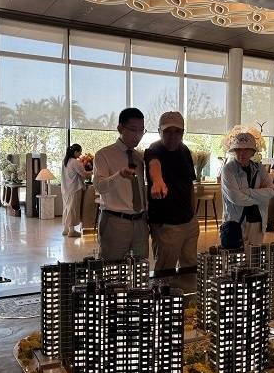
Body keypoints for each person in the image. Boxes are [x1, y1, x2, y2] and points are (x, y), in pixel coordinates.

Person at [145, 111, 199, 276]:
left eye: (177, 131)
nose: (173, 136)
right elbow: (154, 165)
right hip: (166, 224)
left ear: (183, 132)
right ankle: (163, 294)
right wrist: (158, 180)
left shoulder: (184, 150)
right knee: (165, 271)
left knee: (189, 268)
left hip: (188, 221)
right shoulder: (154, 149)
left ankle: (185, 293)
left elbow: (189, 184)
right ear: (159, 131)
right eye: (167, 131)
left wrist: (193, 215)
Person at [93, 108, 148, 261]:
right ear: (120, 128)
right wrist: (119, 176)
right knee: (112, 267)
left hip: (140, 222)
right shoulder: (104, 154)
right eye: (133, 129)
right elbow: (99, 187)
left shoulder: (139, 157)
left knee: (140, 267)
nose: (137, 135)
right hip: (115, 221)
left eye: (141, 130)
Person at [221, 131, 274, 245]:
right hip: (235, 224)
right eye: (238, 149)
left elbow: (270, 192)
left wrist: (246, 192)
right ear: (234, 151)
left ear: (253, 152)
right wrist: (260, 198)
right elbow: (236, 198)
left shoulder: (259, 168)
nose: (242, 153)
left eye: (246, 149)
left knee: (255, 254)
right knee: (235, 255)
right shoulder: (228, 169)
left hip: (257, 222)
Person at [61, 143, 90, 237]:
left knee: (67, 208)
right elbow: (84, 174)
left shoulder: (65, 161)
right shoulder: (75, 162)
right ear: (75, 152)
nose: (80, 154)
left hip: (65, 188)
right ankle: (72, 231)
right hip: (74, 188)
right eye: (80, 152)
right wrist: (93, 171)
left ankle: (66, 229)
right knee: (73, 209)